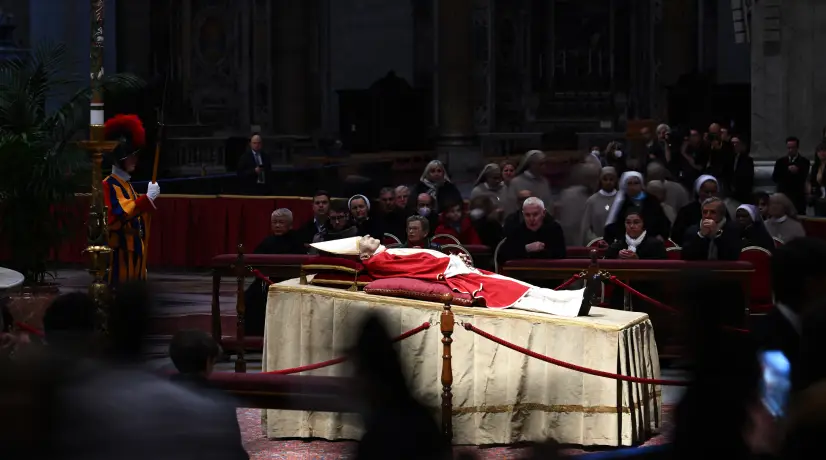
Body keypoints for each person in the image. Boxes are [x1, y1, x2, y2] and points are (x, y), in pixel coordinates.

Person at [309, 236, 586, 317]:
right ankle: (571, 307)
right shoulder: (380, 260)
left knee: (519, 286)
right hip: (453, 277)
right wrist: (450, 267)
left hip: (454, 268)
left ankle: (575, 299)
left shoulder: (383, 252)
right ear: (364, 255)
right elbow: (417, 267)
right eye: (364, 241)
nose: (368, 236)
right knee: (515, 294)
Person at [102, 114, 160, 287]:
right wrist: (146, 199)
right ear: (120, 160)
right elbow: (119, 214)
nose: (135, 160)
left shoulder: (127, 185)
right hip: (119, 253)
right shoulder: (108, 184)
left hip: (133, 251)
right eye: (130, 156)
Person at [603, 171, 671, 244]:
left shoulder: (651, 200)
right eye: (629, 183)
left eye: (636, 183)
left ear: (641, 184)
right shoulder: (621, 202)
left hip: (650, 242)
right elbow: (615, 225)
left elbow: (664, 222)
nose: (633, 187)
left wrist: (661, 235)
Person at [500, 197, 566, 262]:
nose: (531, 219)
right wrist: (526, 249)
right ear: (523, 214)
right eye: (527, 215)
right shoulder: (515, 230)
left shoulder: (554, 229)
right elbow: (502, 255)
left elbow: (560, 254)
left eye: (535, 214)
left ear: (544, 213)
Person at [671, 174, 729, 244]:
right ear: (699, 191)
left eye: (713, 192)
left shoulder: (721, 209)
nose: (710, 195)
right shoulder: (686, 211)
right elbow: (677, 235)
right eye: (706, 192)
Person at [772, 136, 810, 215]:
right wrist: (787, 171)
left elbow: (804, 177)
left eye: (793, 148)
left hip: (798, 198)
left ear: (797, 148)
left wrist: (797, 171)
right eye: (789, 148)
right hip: (784, 196)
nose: (790, 150)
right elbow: (775, 177)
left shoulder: (804, 162)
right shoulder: (780, 162)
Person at [580, 166, 618, 244]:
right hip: (597, 244)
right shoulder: (592, 201)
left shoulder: (621, 199)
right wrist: (596, 241)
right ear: (600, 180)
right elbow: (586, 227)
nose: (608, 182)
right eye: (605, 179)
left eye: (611, 179)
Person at [508, 150, 553, 215]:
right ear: (532, 164)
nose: (544, 167)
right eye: (541, 164)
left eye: (545, 163)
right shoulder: (516, 183)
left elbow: (549, 205)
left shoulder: (544, 182)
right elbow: (512, 208)